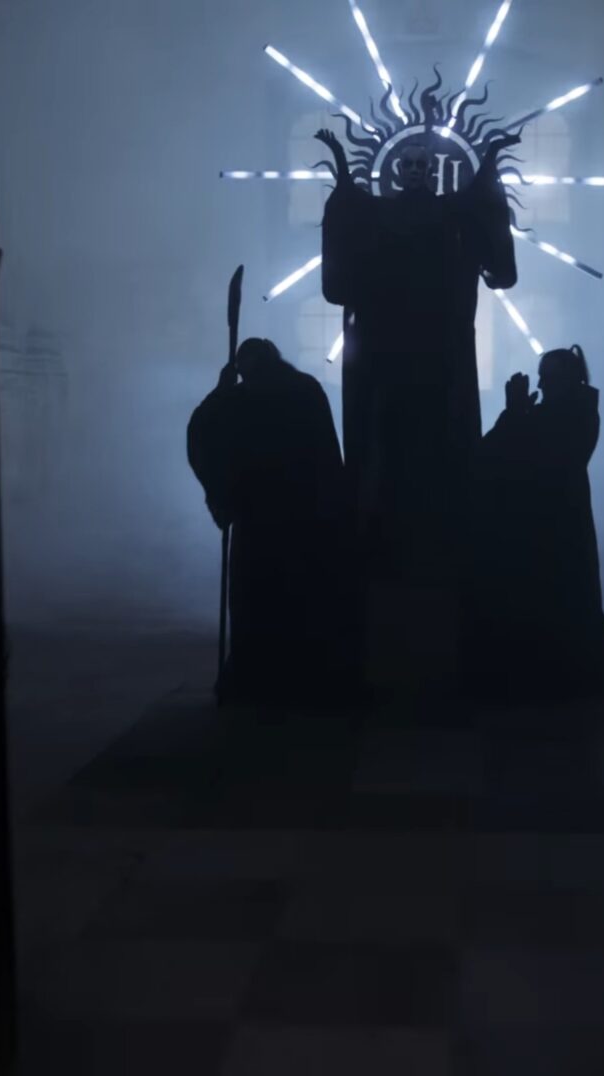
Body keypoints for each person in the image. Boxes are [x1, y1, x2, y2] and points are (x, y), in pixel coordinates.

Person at [312, 127, 521, 584]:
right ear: (397, 170)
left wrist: (490, 158)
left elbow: (478, 202)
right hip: (393, 356)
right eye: (407, 165)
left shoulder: (447, 212)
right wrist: (340, 163)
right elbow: (349, 208)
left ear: (431, 171)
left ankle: (427, 537)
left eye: (420, 166)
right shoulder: (384, 213)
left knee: (431, 443)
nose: (413, 172)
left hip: (433, 355)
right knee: (391, 445)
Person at [464, 345, 604, 700]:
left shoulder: (569, 418)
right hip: (556, 521)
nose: (541, 384)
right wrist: (518, 415)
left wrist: (515, 414)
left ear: (567, 381)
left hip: (555, 523)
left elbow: (512, 455)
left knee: (565, 599)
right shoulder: (568, 414)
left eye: (548, 378)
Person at [186, 338, 359, 704]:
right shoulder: (303, 391)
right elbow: (328, 455)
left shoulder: (240, 399)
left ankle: (259, 678)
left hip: (262, 516)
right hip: (301, 517)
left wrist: (219, 394)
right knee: (293, 599)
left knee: (259, 601)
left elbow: (202, 435)